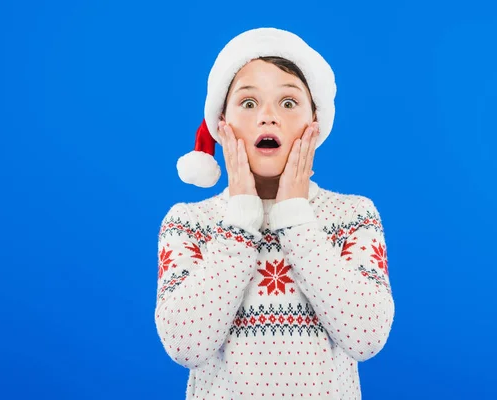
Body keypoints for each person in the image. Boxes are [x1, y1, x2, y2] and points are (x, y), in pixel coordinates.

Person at [155, 27, 395, 400]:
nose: (268, 117)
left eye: (288, 102)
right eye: (249, 103)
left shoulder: (354, 216)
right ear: (222, 124)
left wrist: (296, 217)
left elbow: (366, 338)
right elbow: (186, 346)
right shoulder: (188, 224)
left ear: (314, 123)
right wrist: (240, 219)